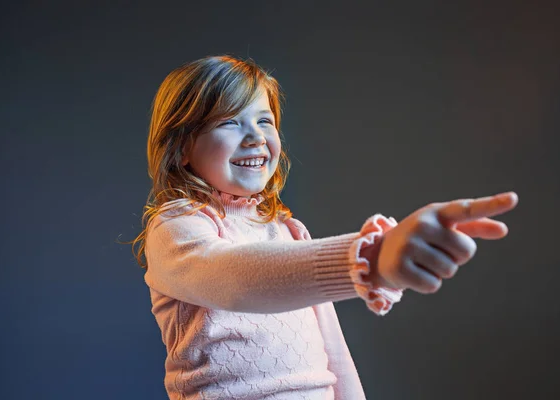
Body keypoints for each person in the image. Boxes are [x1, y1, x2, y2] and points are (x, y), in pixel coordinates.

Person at [130, 55, 518, 399]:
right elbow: (236, 280)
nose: (255, 137)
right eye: (229, 122)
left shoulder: (286, 230)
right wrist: (372, 257)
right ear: (181, 147)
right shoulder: (177, 228)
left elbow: (333, 352)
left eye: (264, 120)